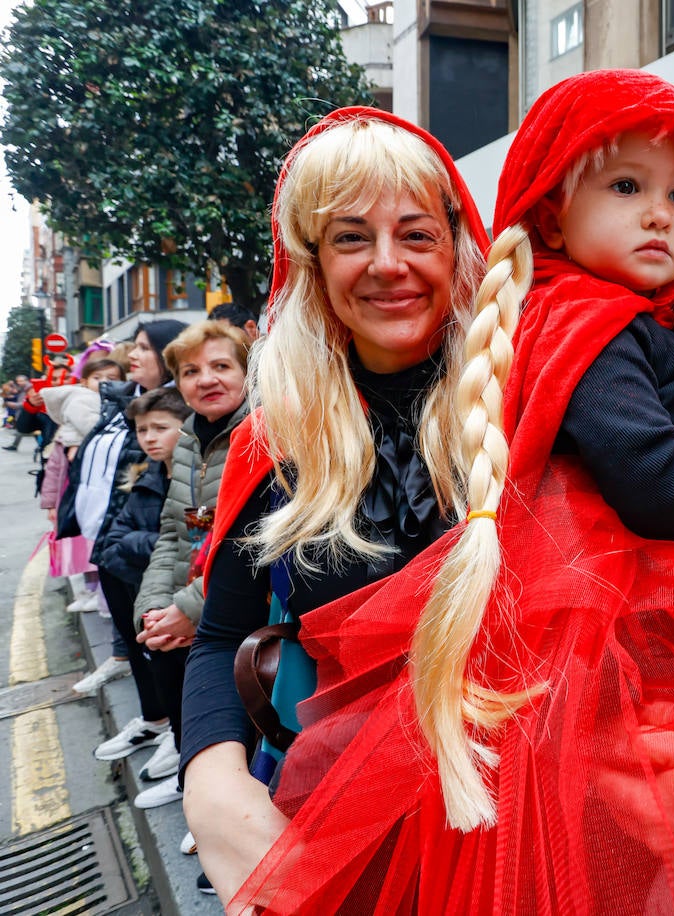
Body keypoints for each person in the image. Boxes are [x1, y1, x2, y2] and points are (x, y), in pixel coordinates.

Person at [225, 69, 674, 916]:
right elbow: (651, 476)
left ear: (458, 242)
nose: (659, 213)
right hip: (523, 709)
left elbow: (646, 446)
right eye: (351, 236)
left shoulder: (542, 335)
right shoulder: (588, 322)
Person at [180, 107, 491, 908]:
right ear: (313, 263)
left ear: (457, 246)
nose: (388, 264)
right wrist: (211, 776)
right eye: (352, 237)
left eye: (416, 234)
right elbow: (219, 637)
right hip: (350, 822)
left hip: (524, 814)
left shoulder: (532, 401)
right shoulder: (272, 437)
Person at [126, 321, 252, 811]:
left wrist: (188, 609)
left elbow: (256, 545)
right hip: (191, 611)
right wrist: (153, 609)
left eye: (222, 366)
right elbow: (173, 536)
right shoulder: (187, 442)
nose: (206, 380)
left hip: (241, 617)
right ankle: (196, 801)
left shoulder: (263, 434)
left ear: (246, 372)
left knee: (240, 736)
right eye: (191, 371)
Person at [62, 319, 187, 700]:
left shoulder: (185, 416)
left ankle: (170, 728)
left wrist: (129, 539)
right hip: (114, 542)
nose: (131, 354)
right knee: (139, 646)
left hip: (147, 552)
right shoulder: (121, 401)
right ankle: (156, 720)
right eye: (134, 345)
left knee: (162, 650)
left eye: (144, 347)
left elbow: (186, 525)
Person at [95, 386, 193, 783]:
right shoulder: (143, 473)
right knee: (147, 660)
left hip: (181, 600)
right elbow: (114, 540)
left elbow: (192, 544)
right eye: (142, 429)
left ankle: (183, 744)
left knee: (180, 676)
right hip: (140, 590)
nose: (149, 438)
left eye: (160, 428)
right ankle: (160, 726)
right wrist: (150, 542)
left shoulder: (194, 476)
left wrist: (143, 542)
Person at [38, 356, 126, 612]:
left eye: (112, 379)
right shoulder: (67, 430)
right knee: (78, 547)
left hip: (102, 497)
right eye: (98, 379)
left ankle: (101, 598)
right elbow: (54, 469)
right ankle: (88, 593)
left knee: (96, 547)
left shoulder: (121, 416)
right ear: (85, 382)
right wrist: (50, 503)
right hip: (72, 495)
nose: (104, 384)